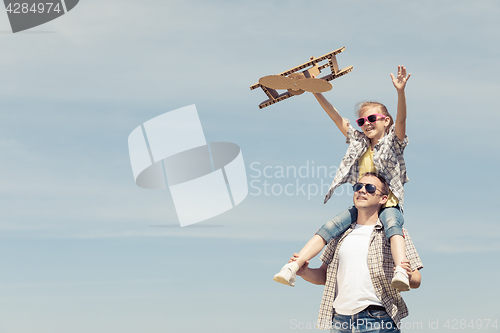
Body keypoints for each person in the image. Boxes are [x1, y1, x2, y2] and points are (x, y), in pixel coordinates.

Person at [274, 66, 412, 291]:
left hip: (388, 202)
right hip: (364, 205)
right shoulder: (359, 143)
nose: (366, 123)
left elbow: (403, 120)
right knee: (330, 226)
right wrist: (315, 90)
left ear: (386, 121)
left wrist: (400, 92)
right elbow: (335, 116)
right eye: (361, 121)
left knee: (392, 224)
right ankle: (292, 267)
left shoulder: (393, 143)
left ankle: (400, 270)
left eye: (372, 118)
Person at [291, 172, 422, 332]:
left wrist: (407, 275)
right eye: (358, 187)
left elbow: (416, 279)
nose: (362, 190)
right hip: (340, 322)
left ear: (383, 199)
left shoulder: (394, 234)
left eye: (370, 188)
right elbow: (324, 276)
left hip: (378, 320)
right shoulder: (339, 234)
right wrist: (304, 272)